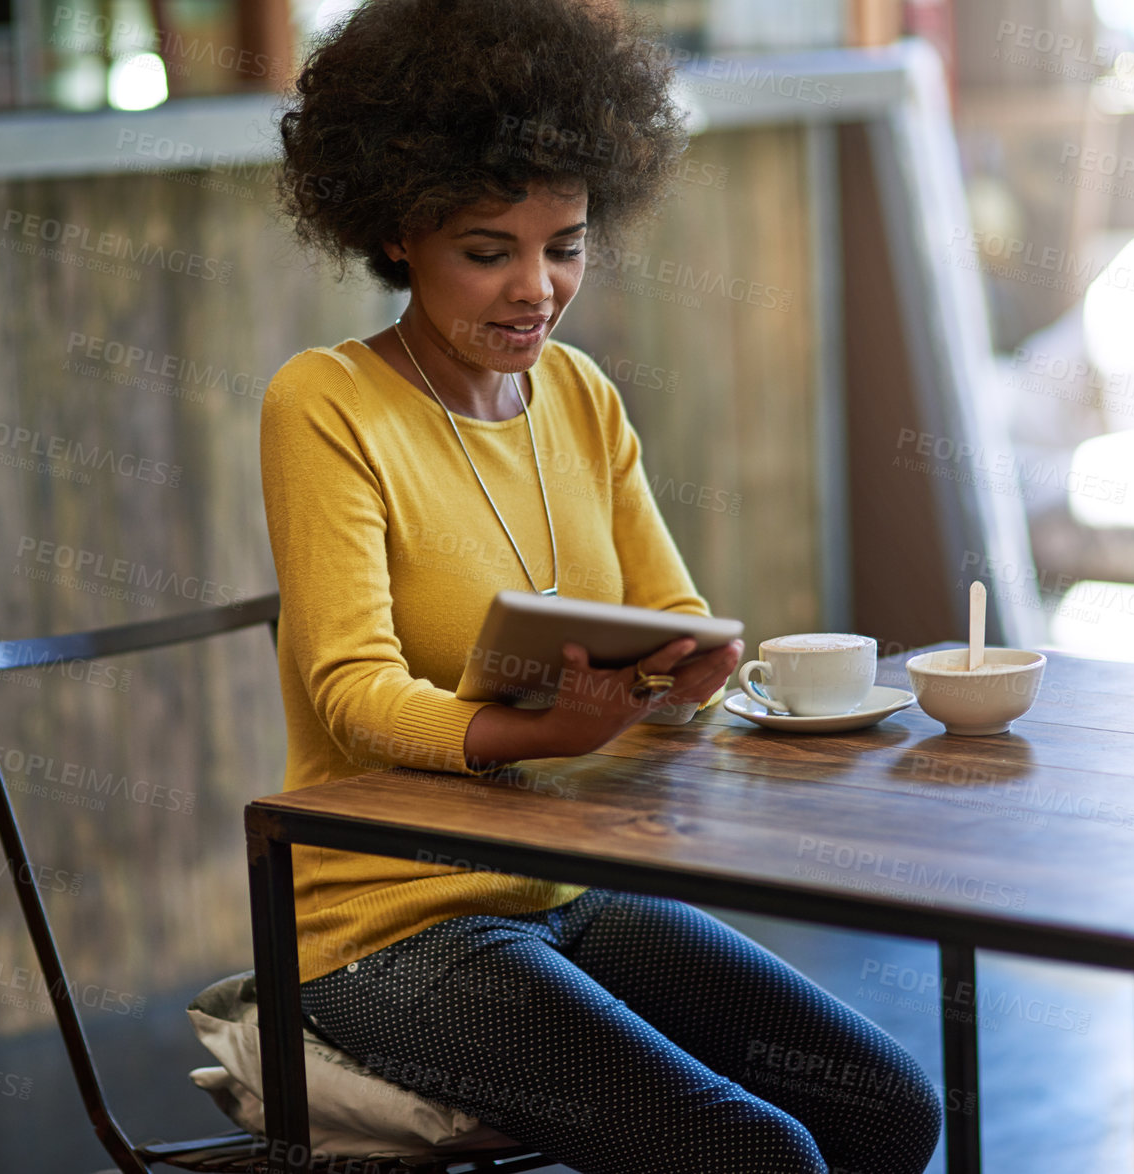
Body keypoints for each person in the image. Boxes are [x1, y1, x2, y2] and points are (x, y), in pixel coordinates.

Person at [258, 2, 941, 1171]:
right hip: (387, 925)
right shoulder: (325, 402)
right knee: (752, 1156)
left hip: (573, 887)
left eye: (563, 244)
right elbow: (350, 694)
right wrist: (531, 728)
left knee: (890, 1109)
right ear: (398, 232)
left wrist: (691, 671)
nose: (536, 287)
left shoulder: (577, 395)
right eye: (489, 251)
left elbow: (672, 620)